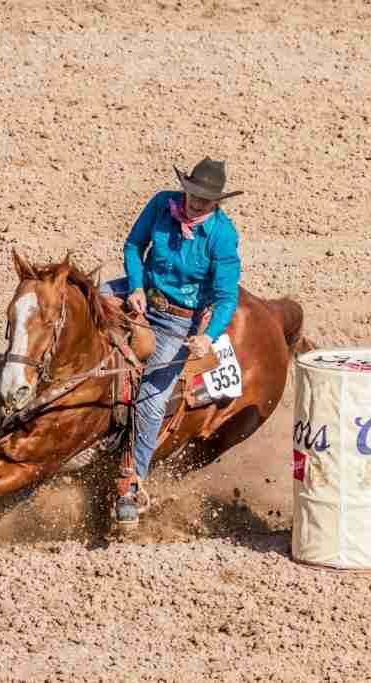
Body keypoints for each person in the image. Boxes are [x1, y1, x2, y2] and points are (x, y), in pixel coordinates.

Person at [101, 157, 242, 526]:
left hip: (179, 319)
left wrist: (207, 337)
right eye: (193, 194)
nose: (196, 203)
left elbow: (226, 296)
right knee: (75, 306)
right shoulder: (161, 203)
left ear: (217, 203)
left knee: (152, 397)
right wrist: (134, 286)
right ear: (186, 189)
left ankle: (133, 481)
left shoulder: (223, 235)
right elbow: (134, 246)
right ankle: (23, 372)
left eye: (206, 200)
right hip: (143, 290)